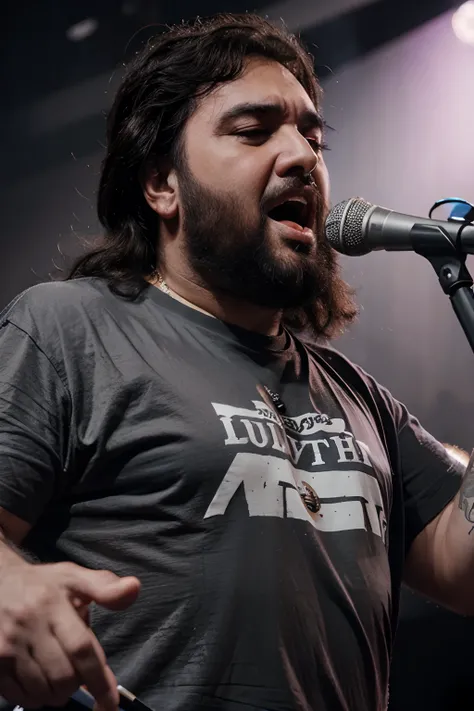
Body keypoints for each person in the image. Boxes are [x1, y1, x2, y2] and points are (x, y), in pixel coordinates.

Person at [0, 12, 470, 711]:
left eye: (313, 136)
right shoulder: (69, 329)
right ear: (163, 184)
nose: (303, 155)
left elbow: (461, 568)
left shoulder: (358, 397)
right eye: (255, 131)